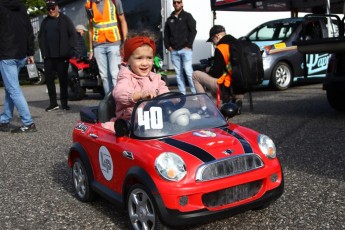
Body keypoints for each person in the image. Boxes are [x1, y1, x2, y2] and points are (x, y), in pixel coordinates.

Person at [101, 32, 169, 131]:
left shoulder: (155, 78)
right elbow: (120, 93)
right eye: (139, 58)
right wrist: (140, 95)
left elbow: (164, 91)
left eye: (149, 58)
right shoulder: (125, 76)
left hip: (155, 121)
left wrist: (172, 98)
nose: (145, 63)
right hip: (130, 122)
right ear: (128, 60)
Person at [0, 0, 37, 133]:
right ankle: (4, 119)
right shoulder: (21, 7)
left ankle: (28, 123)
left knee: (14, 90)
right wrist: (30, 52)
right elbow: (29, 30)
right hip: (21, 54)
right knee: (11, 88)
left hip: (6, 54)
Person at [192, 25, 245, 113]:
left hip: (228, 86)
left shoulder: (221, 47)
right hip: (242, 86)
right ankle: (236, 99)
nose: (213, 43)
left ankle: (204, 108)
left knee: (195, 75)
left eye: (212, 40)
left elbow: (216, 72)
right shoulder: (238, 44)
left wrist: (207, 69)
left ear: (216, 36)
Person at [38, 0, 77, 111]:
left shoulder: (65, 19)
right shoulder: (45, 22)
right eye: (49, 9)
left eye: (52, 8)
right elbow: (40, 37)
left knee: (63, 80)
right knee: (49, 81)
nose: (51, 10)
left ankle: (64, 103)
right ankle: (53, 103)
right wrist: (44, 52)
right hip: (49, 56)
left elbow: (73, 35)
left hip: (62, 56)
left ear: (57, 7)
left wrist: (69, 50)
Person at [85, 0, 128, 95]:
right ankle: (109, 101)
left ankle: (118, 100)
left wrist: (125, 42)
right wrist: (91, 49)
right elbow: (90, 28)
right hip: (98, 45)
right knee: (104, 76)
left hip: (113, 42)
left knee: (115, 74)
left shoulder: (115, 1)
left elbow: (123, 21)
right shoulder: (89, 4)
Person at [164, 0, 197, 95]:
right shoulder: (170, 19)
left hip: (185, 49)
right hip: (174, 50)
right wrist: (168, 46)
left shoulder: (187, 16)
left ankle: (195, 93)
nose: (176, 4)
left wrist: (189, 45)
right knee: (178, 74)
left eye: (178, 2)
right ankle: (182, 94)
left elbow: (193, 31)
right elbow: (166, 34)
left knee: (188, 71)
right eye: (174, 2)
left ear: (182, 3)